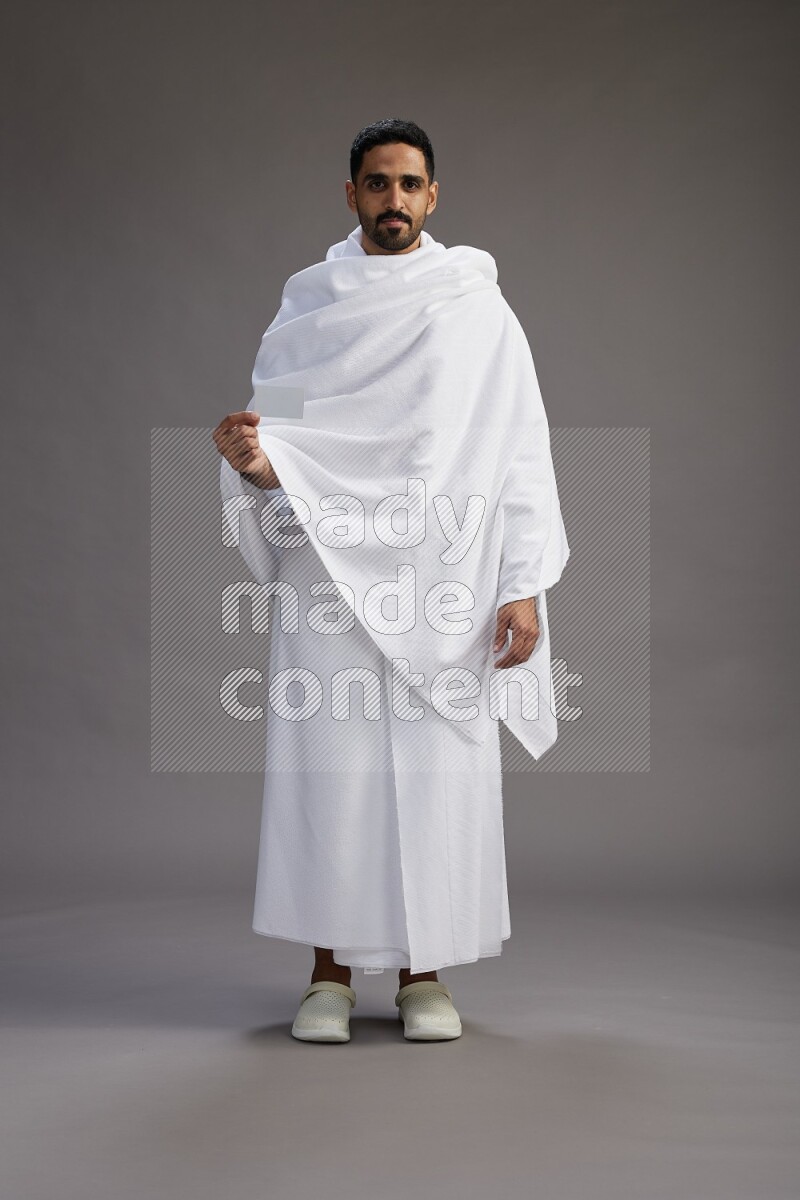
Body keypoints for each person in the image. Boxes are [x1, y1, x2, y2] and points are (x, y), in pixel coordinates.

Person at [213, 118, 569, 1043]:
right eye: (378, 185)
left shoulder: (475, 307)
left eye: (411, 185)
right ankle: (326, 976)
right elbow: (280, 435)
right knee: (330, 768)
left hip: (443, 572)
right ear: (352, 196)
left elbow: (519, 447)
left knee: (433, 771)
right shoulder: (310, 307)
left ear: (433, 196)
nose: (395, 202)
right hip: (327, 565)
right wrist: (255, 466)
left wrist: (522, 581)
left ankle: (424, 976)